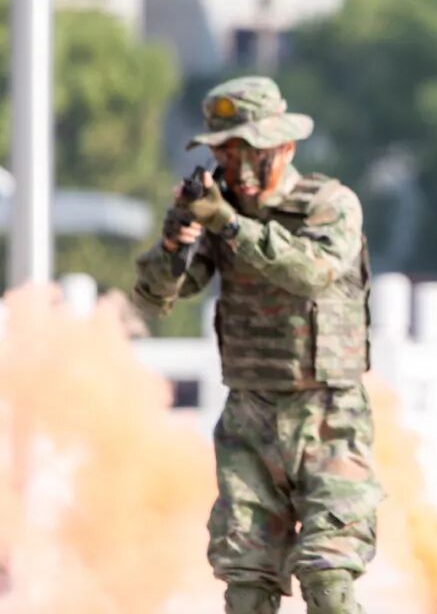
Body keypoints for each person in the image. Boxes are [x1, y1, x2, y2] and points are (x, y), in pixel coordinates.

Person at [132, 76, 382, 614]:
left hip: (328, 417)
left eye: (254, 156)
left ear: (286, 147)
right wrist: (176, 240)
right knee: (246, 587)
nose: (241, 173)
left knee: (329, 580)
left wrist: (226, 224)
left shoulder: (329, 205)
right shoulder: (217, 211)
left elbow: (309, 273)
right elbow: (157, 297)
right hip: (250, 417)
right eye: (227, 155)